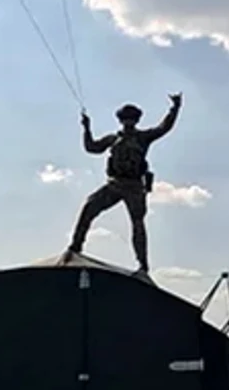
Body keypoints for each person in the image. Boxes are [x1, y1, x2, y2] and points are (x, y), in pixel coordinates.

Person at [64, 93, 182, 276]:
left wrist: (174, 108)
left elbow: (164, 127)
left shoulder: (143, 137)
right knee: (89, 207)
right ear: (120, 120)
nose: (128, 123)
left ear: (136, 120)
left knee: (137, 224)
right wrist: (86, 128)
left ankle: (143, 265)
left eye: (131, 119)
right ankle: (75, 246)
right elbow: (91, 147)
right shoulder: (113, 139)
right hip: (115, 184)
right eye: (125, 119)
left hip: (134, 187)